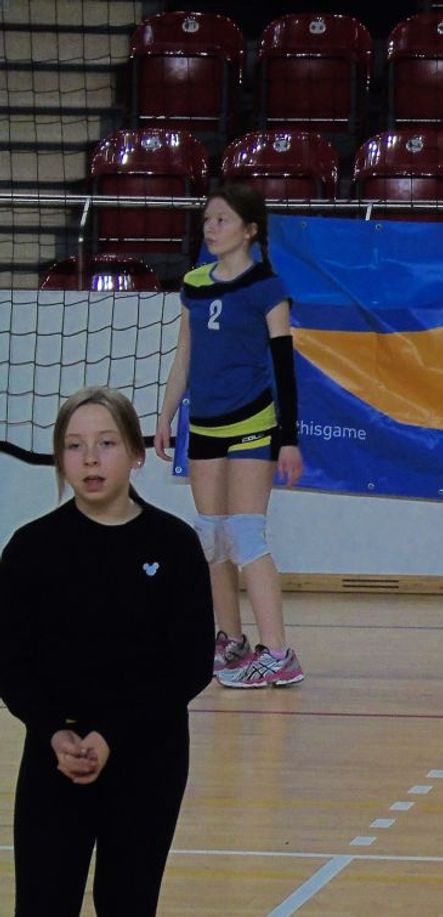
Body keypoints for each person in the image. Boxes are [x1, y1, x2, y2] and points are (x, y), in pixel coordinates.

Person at [0, 387, 214, 917]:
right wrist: (56, 733)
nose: (90, 460)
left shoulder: (173, 545)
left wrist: (113, 736)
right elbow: (11, 661)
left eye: (106, 443)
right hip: (55, 765)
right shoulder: (31, 548)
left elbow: (189, 664)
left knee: (127, 916)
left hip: (146, 763)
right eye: (74, 446)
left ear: (135, 454)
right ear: (61, 459)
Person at [154, 183, 304, 688]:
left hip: (251, 424)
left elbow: (284, 369)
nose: (211, 228)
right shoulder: (195, 284)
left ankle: (279, 653)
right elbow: (185, 355)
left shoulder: (267, 288)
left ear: (250, 230)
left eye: (222, 220)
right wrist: (166, 415)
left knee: (245, 533)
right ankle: (231, 640)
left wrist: (288, 438)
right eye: (207, 220)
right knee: (212, 536)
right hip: (204, 426)